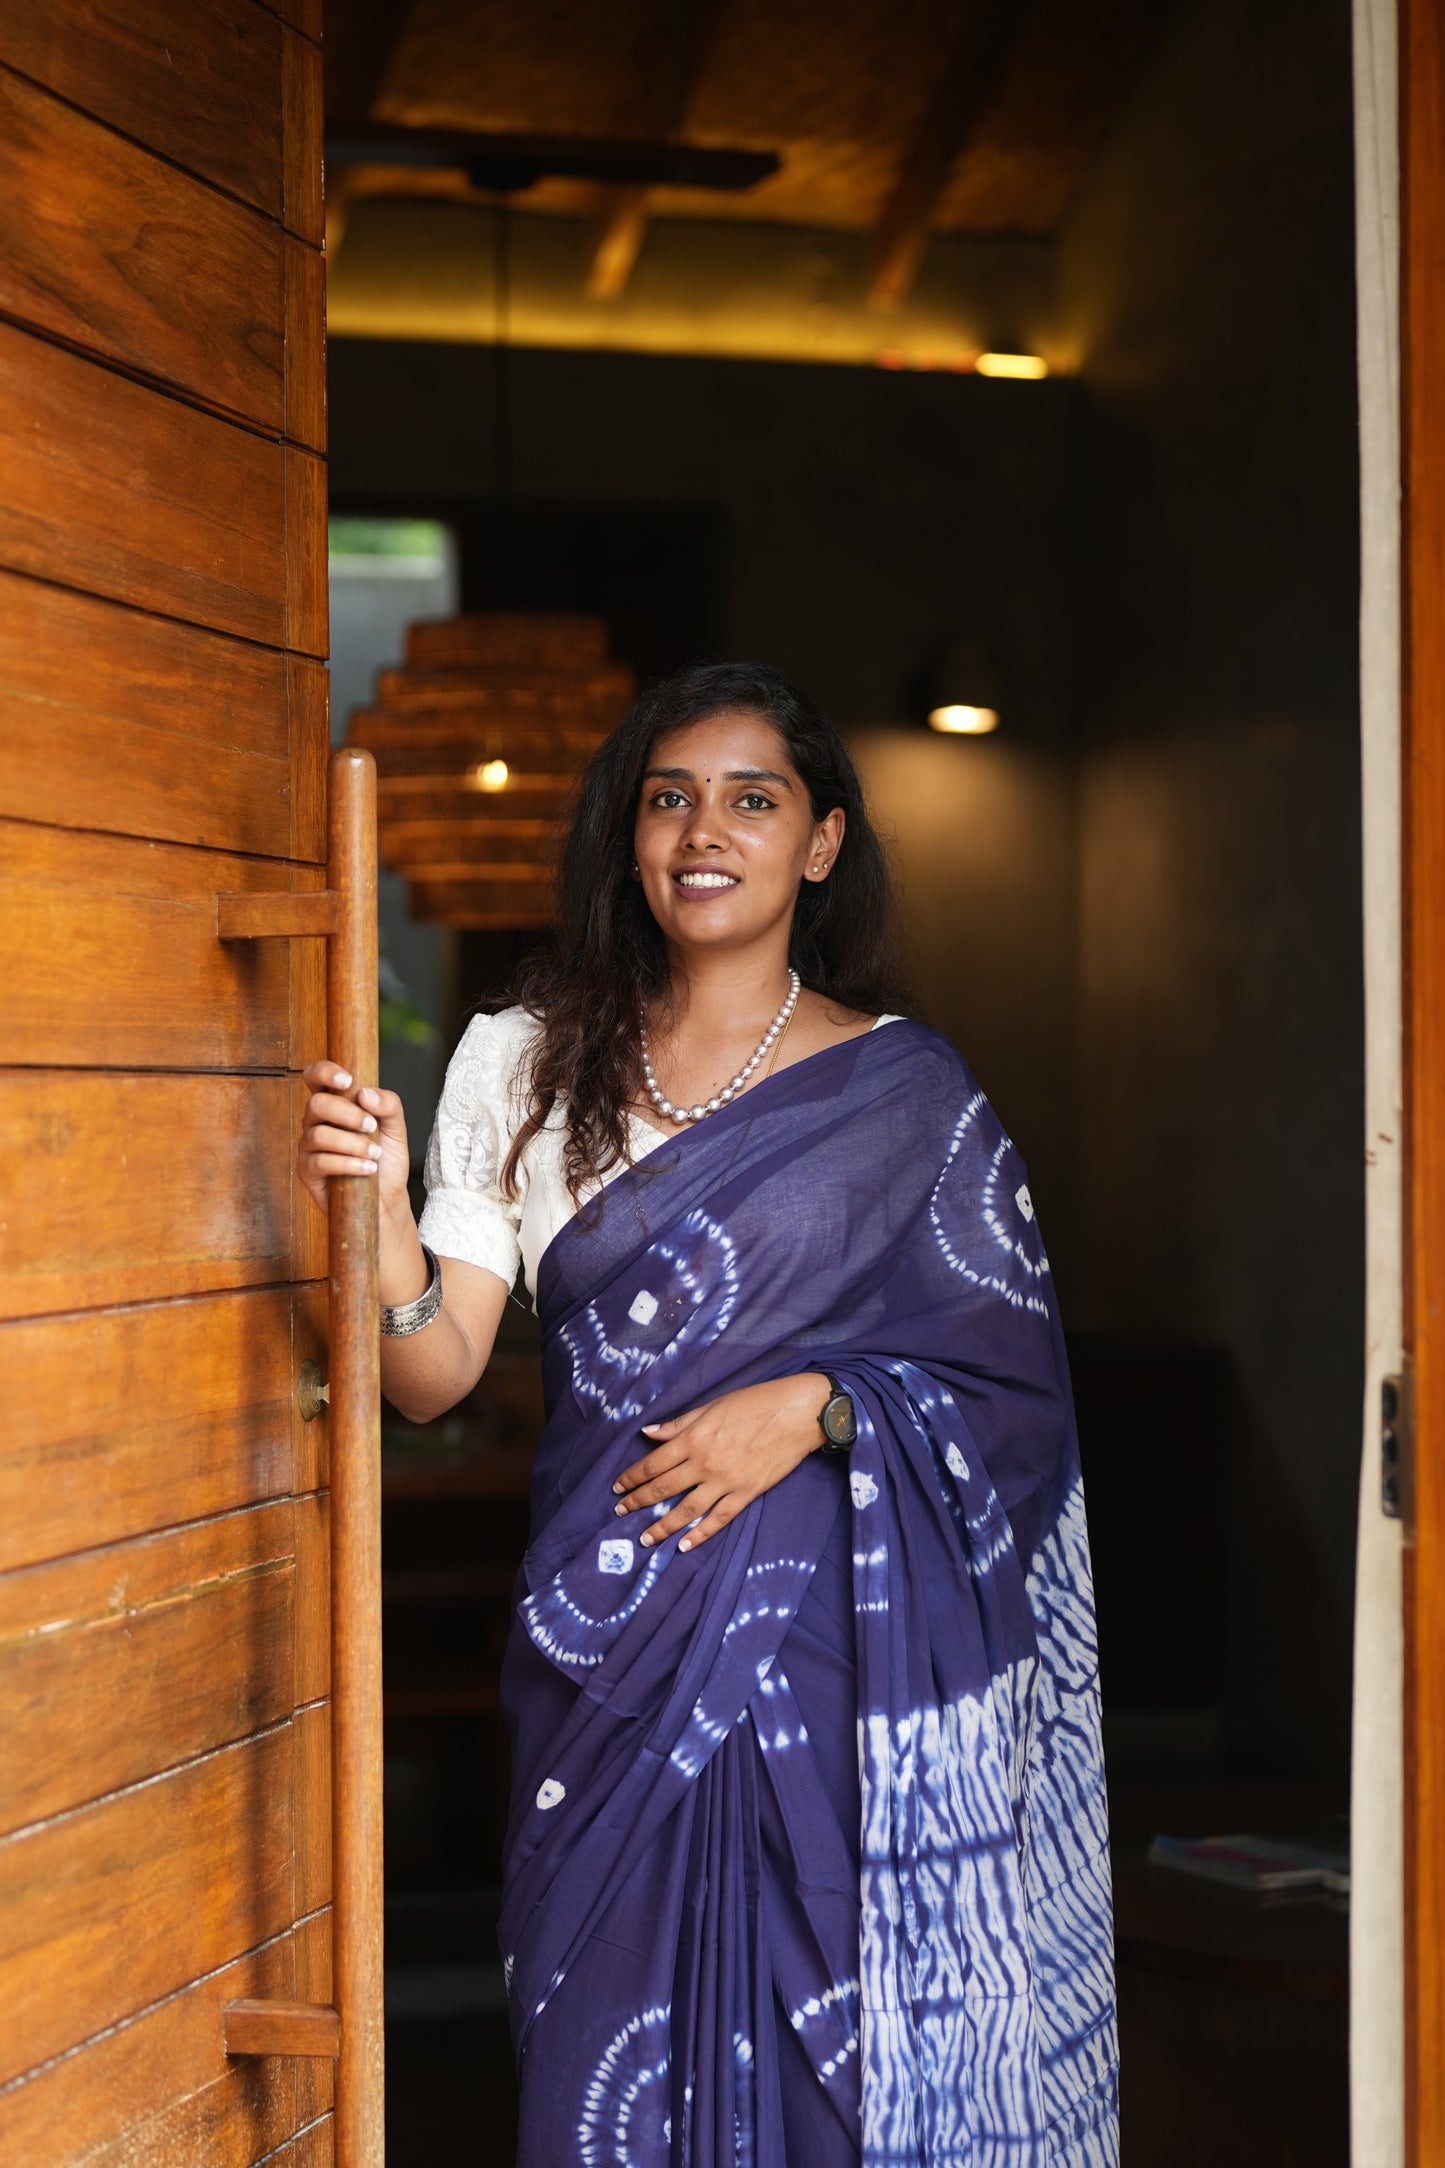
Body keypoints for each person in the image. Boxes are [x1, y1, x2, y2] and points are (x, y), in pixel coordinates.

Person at [298, 660, 1119, 2166]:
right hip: (603, 1655)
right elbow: (432, 1375)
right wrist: (381, 1220)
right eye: (668, 797)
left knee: (828, 2067)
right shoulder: (521, 1061)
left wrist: (817, 1406)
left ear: (818, 843)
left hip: (835, 1665)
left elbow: (1014, 1397)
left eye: (751, 799)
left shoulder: (908, 1095)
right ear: (628, 833)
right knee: (599, 2047)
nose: (702, 831)